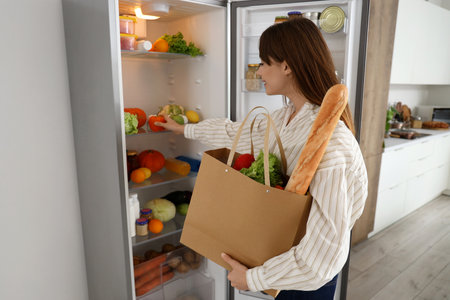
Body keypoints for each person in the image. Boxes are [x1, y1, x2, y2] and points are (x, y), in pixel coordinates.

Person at [155, 18, 368, 300]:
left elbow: (323, 255)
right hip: (282, 260)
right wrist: (185, 128)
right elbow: (235, 133)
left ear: (287, 66)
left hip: (304, 281)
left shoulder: (333, 144)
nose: (260, 71)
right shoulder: (284, 118)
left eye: (263, 63)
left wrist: (254, 277)